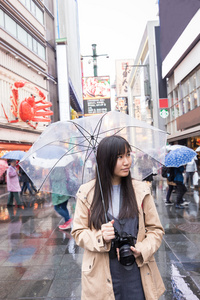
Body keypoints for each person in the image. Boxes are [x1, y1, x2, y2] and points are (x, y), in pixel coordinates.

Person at [71, 135, 165, 300]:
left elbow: (156, 230)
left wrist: (142, 249)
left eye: (128, 155)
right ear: (105, 160)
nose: (126, 161)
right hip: (101, 274)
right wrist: (100, 237)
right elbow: (78, 232)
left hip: (137, 271)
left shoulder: (140, 190)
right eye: (119, 157)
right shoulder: (87, 193)